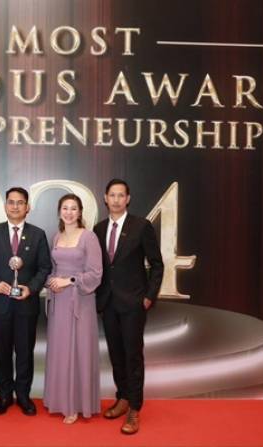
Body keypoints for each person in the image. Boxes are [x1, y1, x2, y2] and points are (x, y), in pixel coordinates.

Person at [93, 179, 164, 435]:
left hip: (133, 303)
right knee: (116, 354)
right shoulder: (99, 229)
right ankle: (122, 397)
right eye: (112, 195)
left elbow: (157, 264)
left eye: (121, 195)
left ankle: (134, 408)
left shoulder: (141, 226)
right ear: (105, 198)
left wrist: (149, 296)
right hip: (108, 303)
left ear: (128, 199)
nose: (116, 200)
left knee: (133, 355)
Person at [0, 187, 52, 416]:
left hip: (26, 305)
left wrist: (32, 288)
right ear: (5, 206)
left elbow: (44, 267)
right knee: (1, 353)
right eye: (11, 202)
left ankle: (24, 396)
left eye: (20, 202)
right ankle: (4, 395)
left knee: (25, 352)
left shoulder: (38, 234)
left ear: (28, 207)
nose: (15, 206)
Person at [44, 194, 103, 424]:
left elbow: (95, 274)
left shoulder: (89, 237)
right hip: (59, 302)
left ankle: (76, 405)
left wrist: (68, 281)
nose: (69, 212)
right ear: (59, 211)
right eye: (65, 208)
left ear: (80, 212)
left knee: (79, 350)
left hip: (81, 301)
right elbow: (53, 269)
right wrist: (51, 281)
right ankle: (60, 401)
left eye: (73, 208)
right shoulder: (56, 236)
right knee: (61, 350)